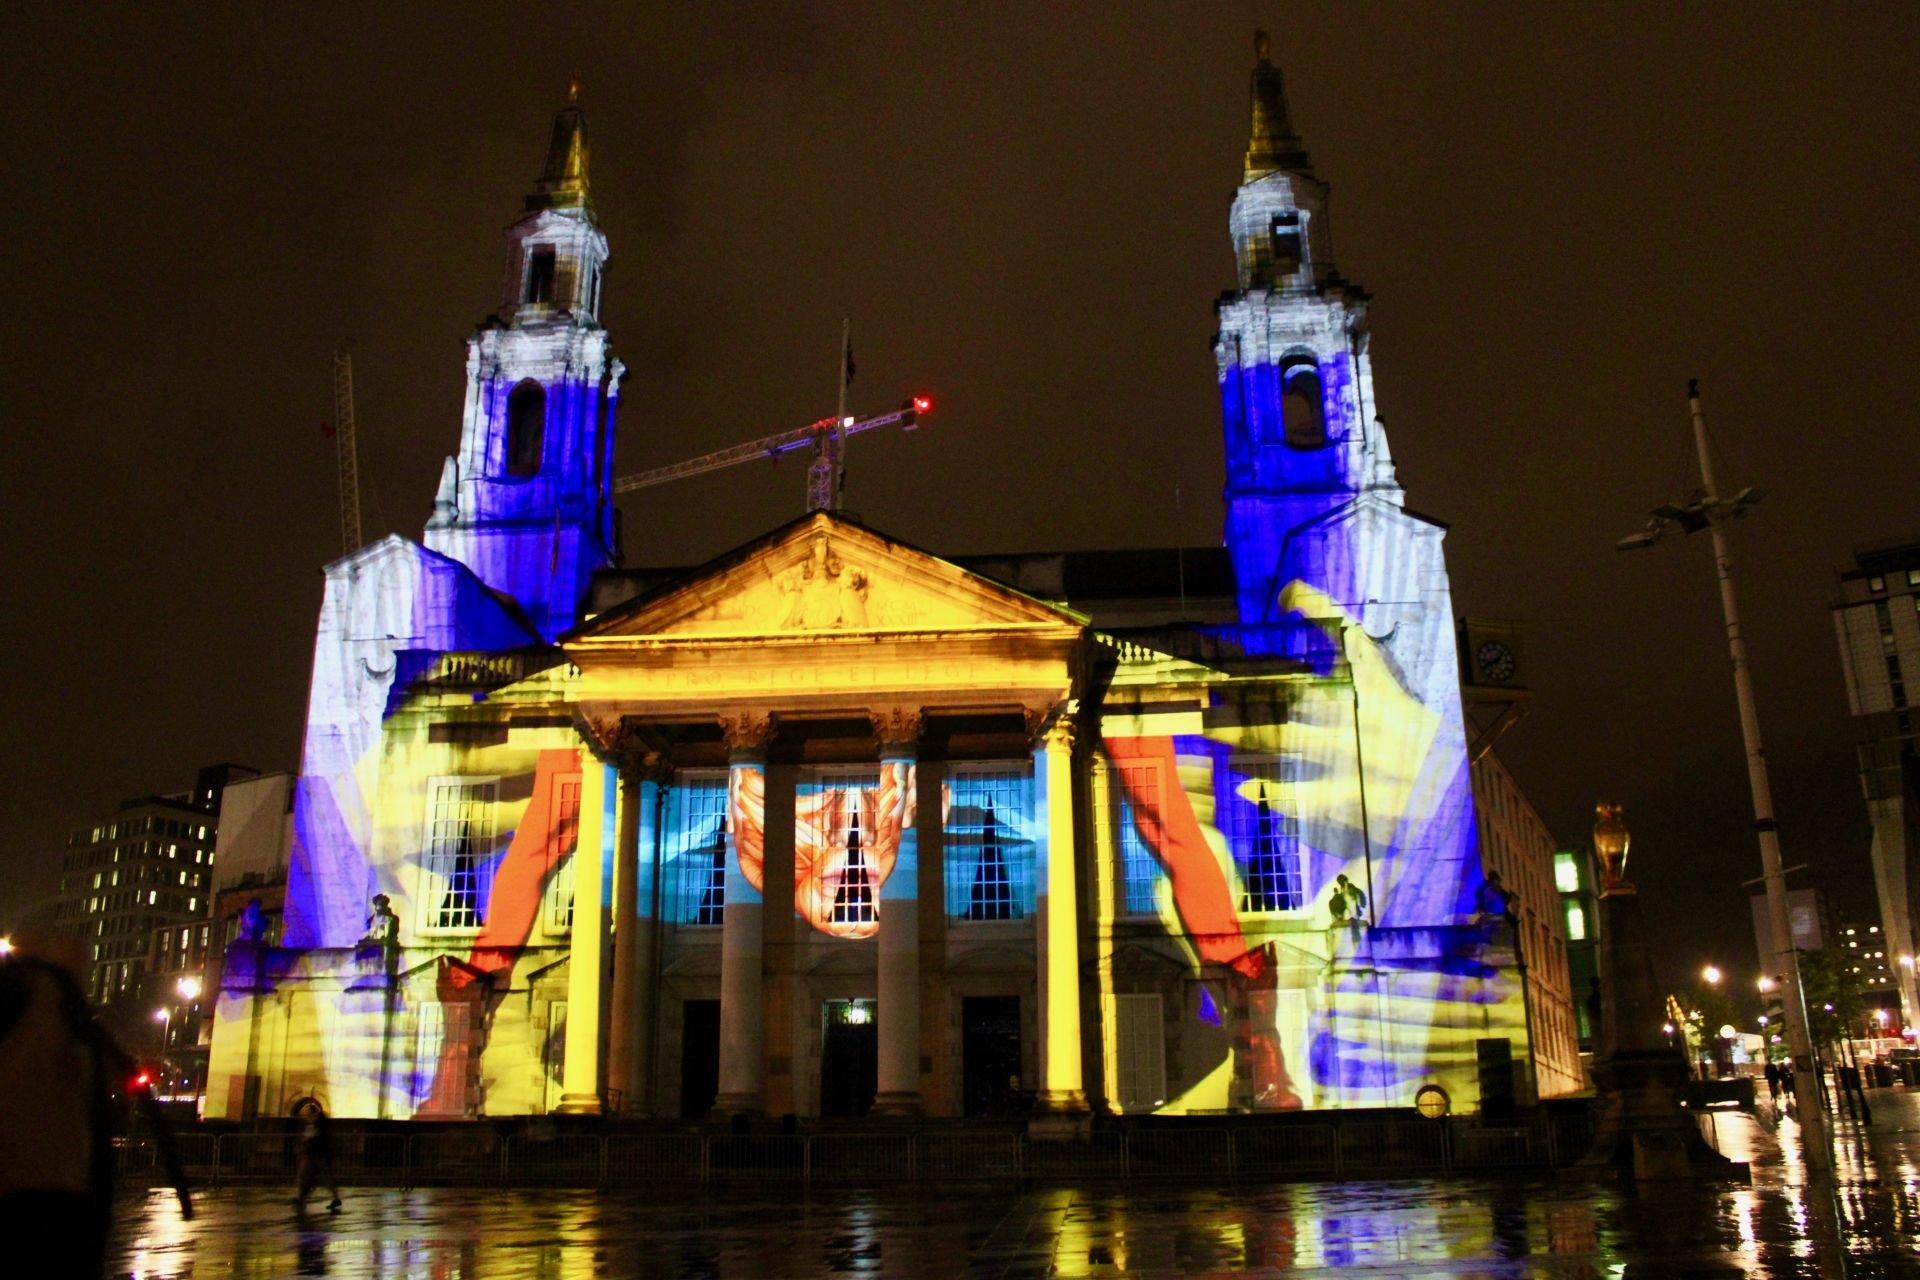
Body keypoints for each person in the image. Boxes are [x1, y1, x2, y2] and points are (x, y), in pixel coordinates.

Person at [292, 1099, 342, 1212]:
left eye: (308, 1115)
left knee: (324, 1178)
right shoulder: (312, 1124)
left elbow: (324, 1139)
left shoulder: (321, 1125)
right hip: (311, 1155)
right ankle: (301, 1198)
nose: (306, 1117)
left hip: (320, 1155)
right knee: (304, 1176)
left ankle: (335, 1198)